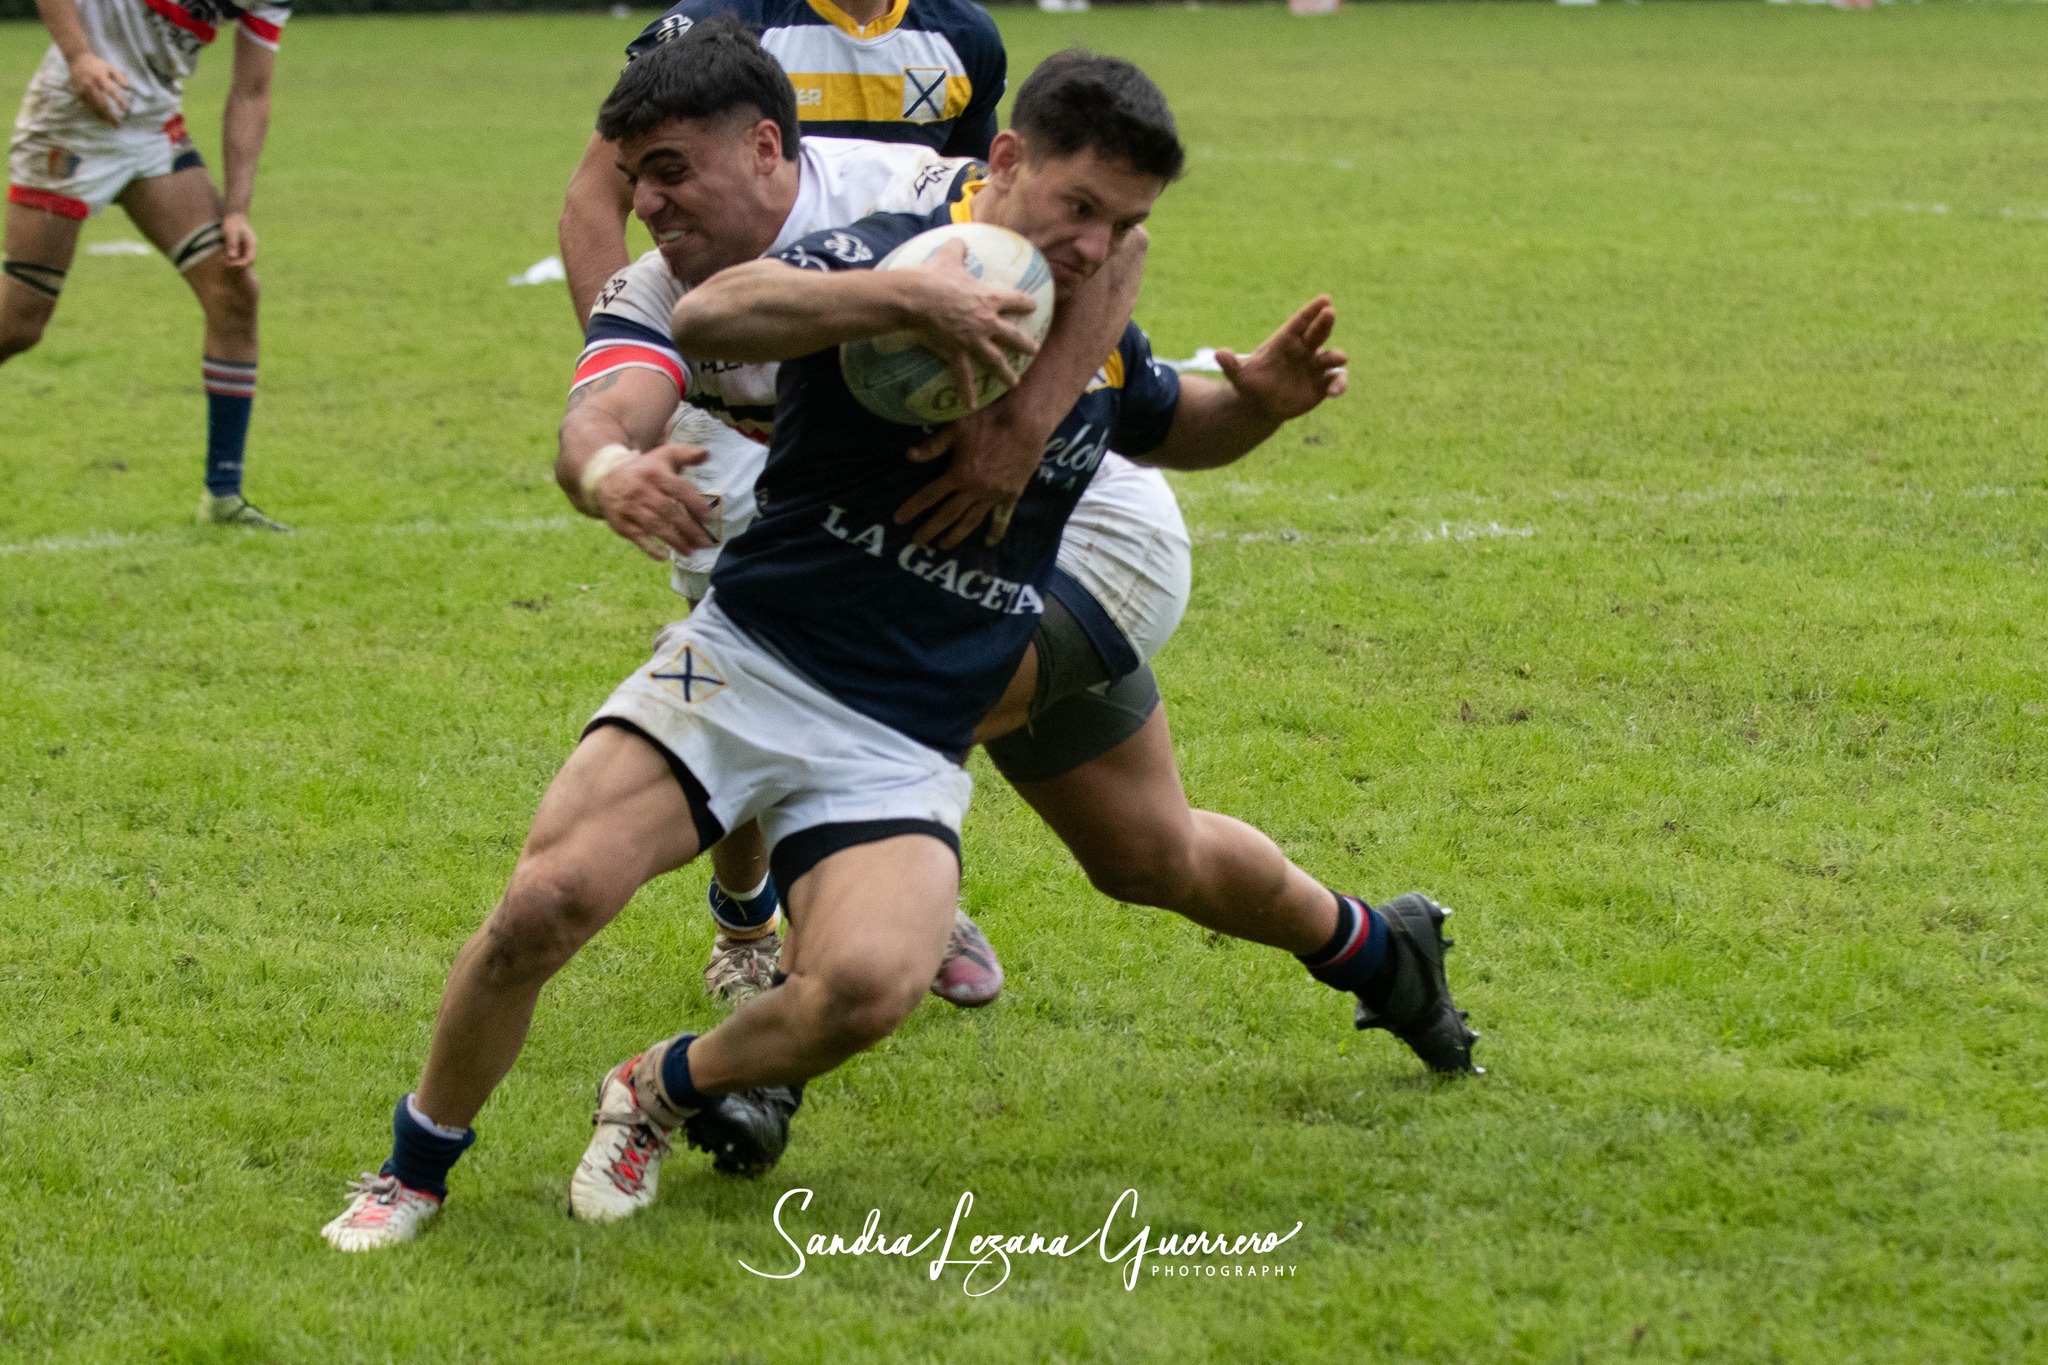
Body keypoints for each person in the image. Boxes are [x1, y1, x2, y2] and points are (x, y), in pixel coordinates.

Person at [318, 47, 1456, 1254]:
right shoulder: (861, 252)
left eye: (671, 175)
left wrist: (1257, 405)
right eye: (635, 184)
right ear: (1005, 166)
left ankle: (674, 1079)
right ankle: (417, 1167)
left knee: (886, 976)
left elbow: (1163, 393)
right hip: (759, 660)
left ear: (766, 149)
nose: (650, 207)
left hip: (990, 655)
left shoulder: (1043, 257)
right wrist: (879, 319)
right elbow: (702, 320)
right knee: (551, 897)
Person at [560, 0, 1012, 1004]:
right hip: (728, 402)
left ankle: (892, 891)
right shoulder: (718, 26)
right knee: (743, 667)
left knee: (891, 656)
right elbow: (596, 198)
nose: (650, 196)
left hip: (880, 382)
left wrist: (1002, 422)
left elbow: (1011, 222)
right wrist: (637, 353)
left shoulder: (961, 37)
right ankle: (746, 920)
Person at [3, 0, 290, 531]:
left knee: (234, 290)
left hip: (152, 131)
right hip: (68, 124)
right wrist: (79, 55)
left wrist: (237, 210)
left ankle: (223, 497)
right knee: (17, 325)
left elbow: (251, 94)